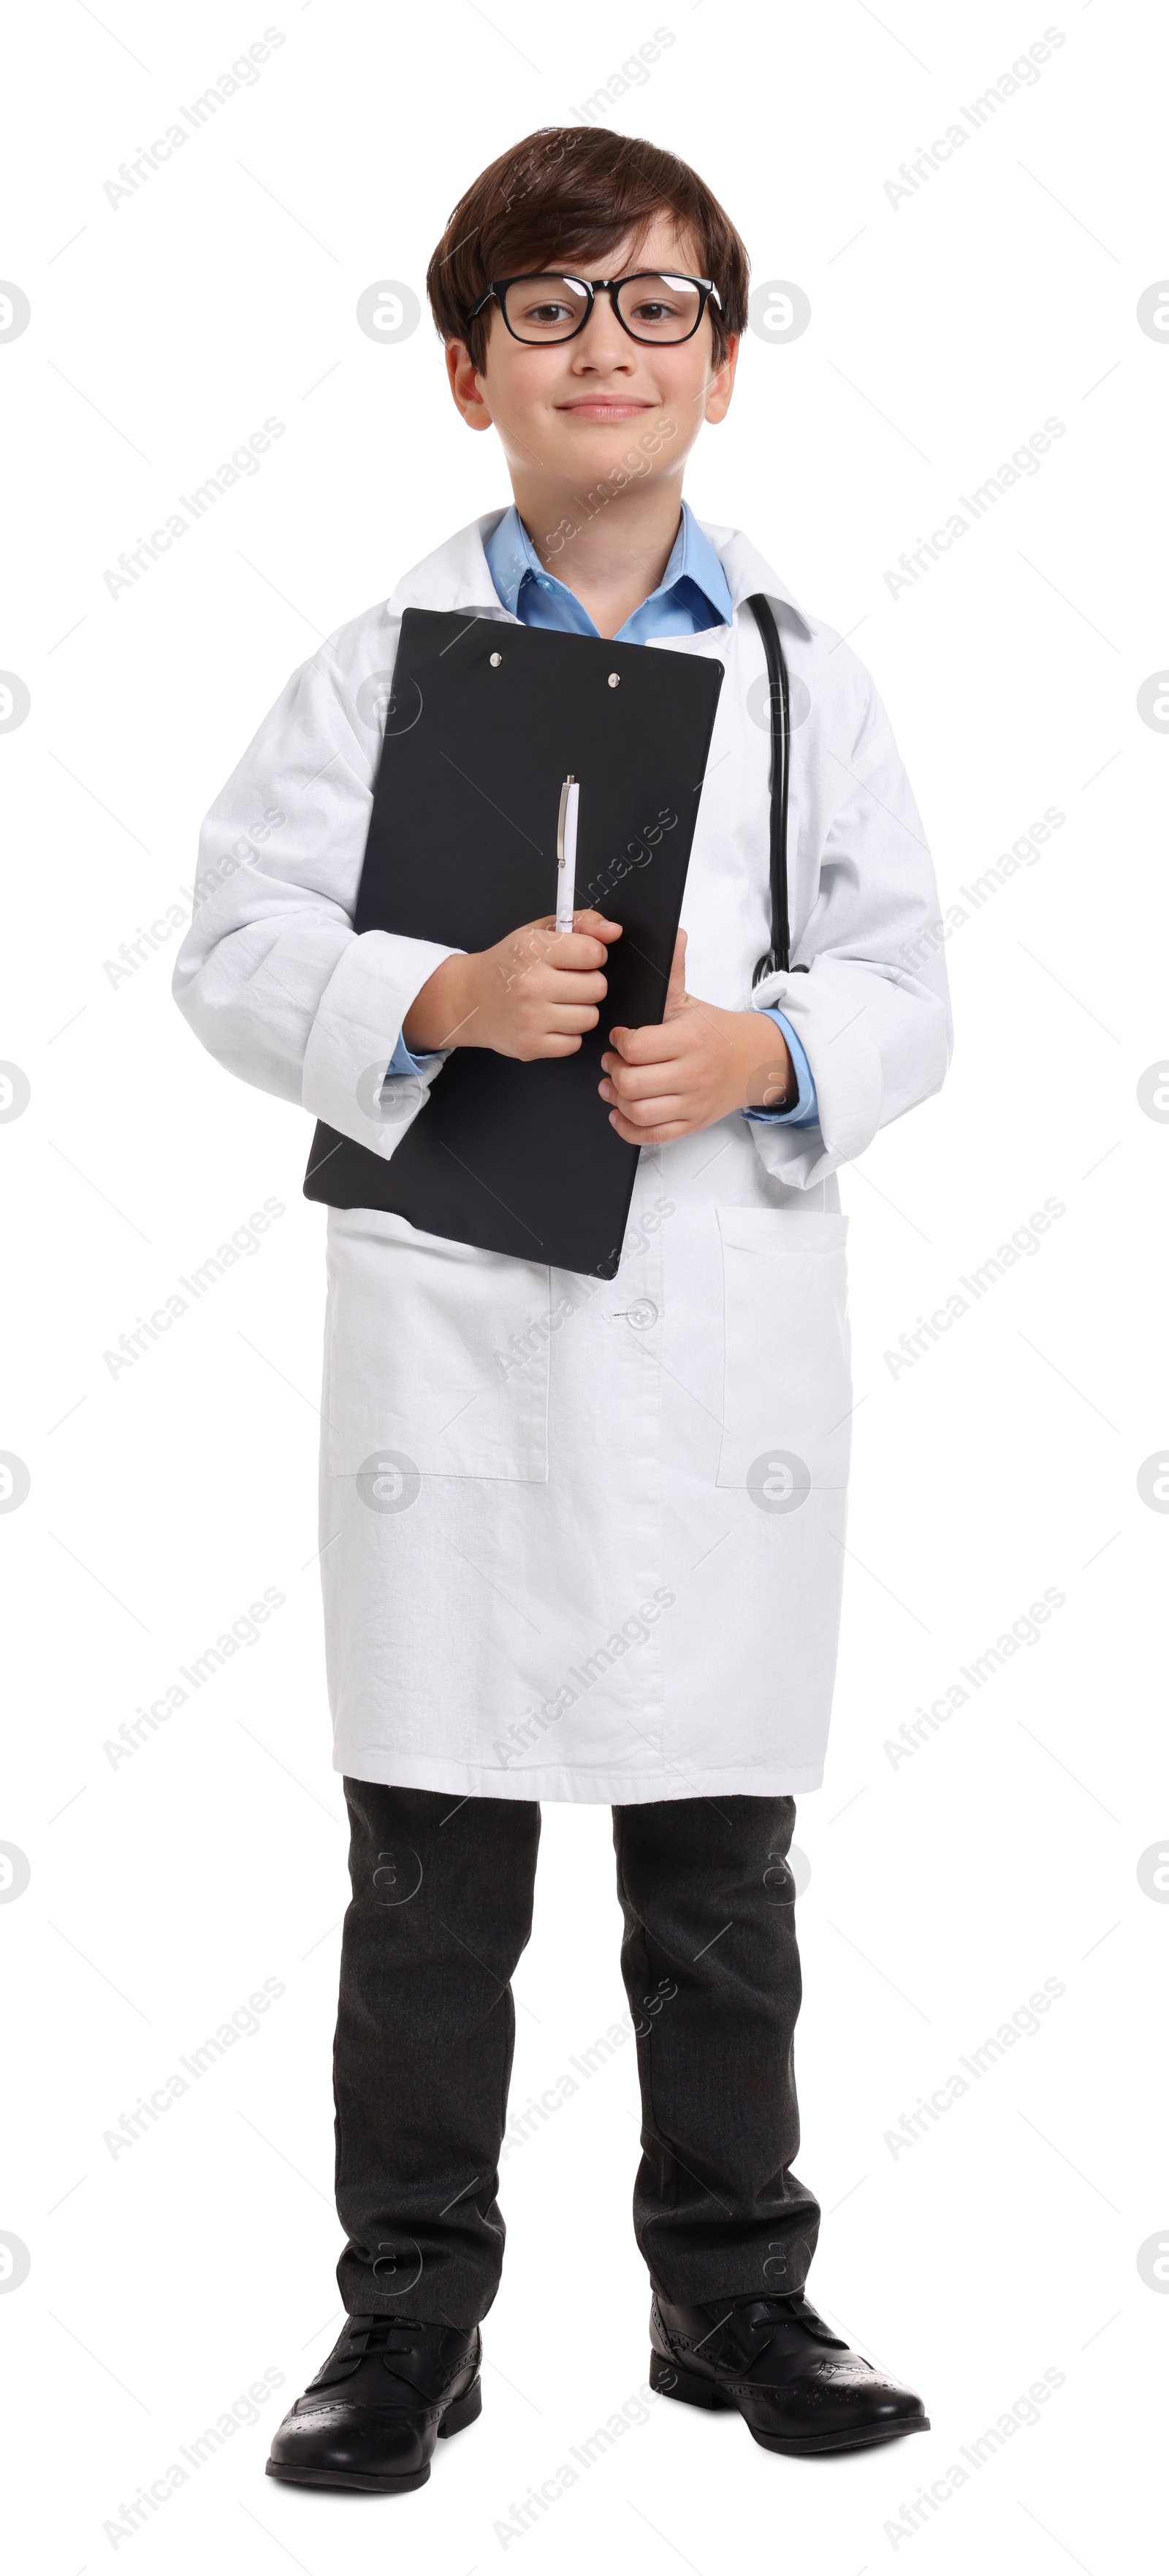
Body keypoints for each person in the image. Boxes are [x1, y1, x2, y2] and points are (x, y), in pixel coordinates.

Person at [172, 126, 951, 2496]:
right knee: (432, 1881)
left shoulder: (803, 669)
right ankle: (410, 2321)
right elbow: (229, 953)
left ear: (723, 368)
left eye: (657, 308)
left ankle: (737, 2294)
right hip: (457, 1363)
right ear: (463, 367)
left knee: (720, 1878)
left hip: (719, 1358)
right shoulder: (374, 670)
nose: (604, 348)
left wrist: (772, 1053)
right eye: (550, 308)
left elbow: (908, 979)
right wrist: (438, 997)